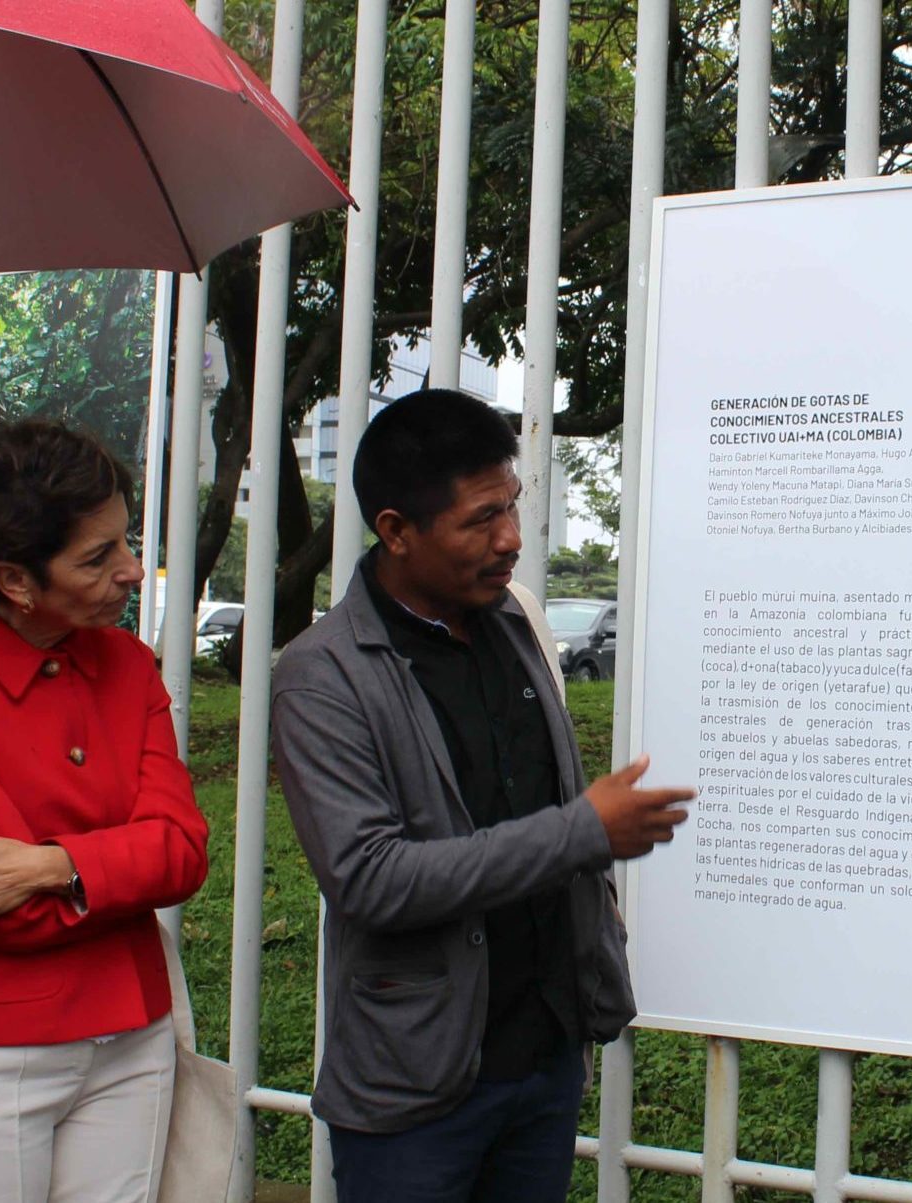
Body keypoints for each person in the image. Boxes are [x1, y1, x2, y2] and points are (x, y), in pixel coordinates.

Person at [271, 388, 693, 1202]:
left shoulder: (515, 623)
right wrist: (585, 830)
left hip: (542, 1060)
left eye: (513, 507)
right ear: (395, 530)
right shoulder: (322, 676)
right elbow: (372, 878)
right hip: (417, 1086)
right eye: (479, 520)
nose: (509, 539)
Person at [0, 419, 210, 1203]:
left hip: (131, 1034)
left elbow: (185, 852)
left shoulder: (127, 662)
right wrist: (118, 869)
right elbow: (1, 912)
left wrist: (52, 865)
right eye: (98, 557)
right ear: (16, 580)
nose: (131, 570)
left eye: (125, 540)